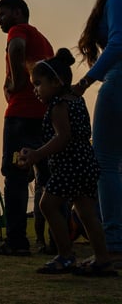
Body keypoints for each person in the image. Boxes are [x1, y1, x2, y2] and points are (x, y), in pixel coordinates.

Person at [18, 49, 116, 276]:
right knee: (86, 213)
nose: (35, 90)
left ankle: (65, 255)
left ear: (56, 81)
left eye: (38, 84)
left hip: (70, 166)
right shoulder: (76, 100)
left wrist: (36, 155)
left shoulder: (58, 105)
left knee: (46, 205)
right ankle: (103, 260)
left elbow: (62, 138)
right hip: (86, 164)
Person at [0, 0, 54, 256]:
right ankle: (56, 242)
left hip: (21, 117)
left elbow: (16, 48)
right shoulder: (43, 40)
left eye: (3, 14)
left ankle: (16, 241)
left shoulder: (19, 31)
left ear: (18, 13)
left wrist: (16, 83)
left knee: (15, 177)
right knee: (49, 179)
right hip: (45, 116)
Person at [73, 0, 122, 263]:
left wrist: (86, 82)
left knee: (104, 163)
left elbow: (118, 43)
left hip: (117, 82)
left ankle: (114, 242)